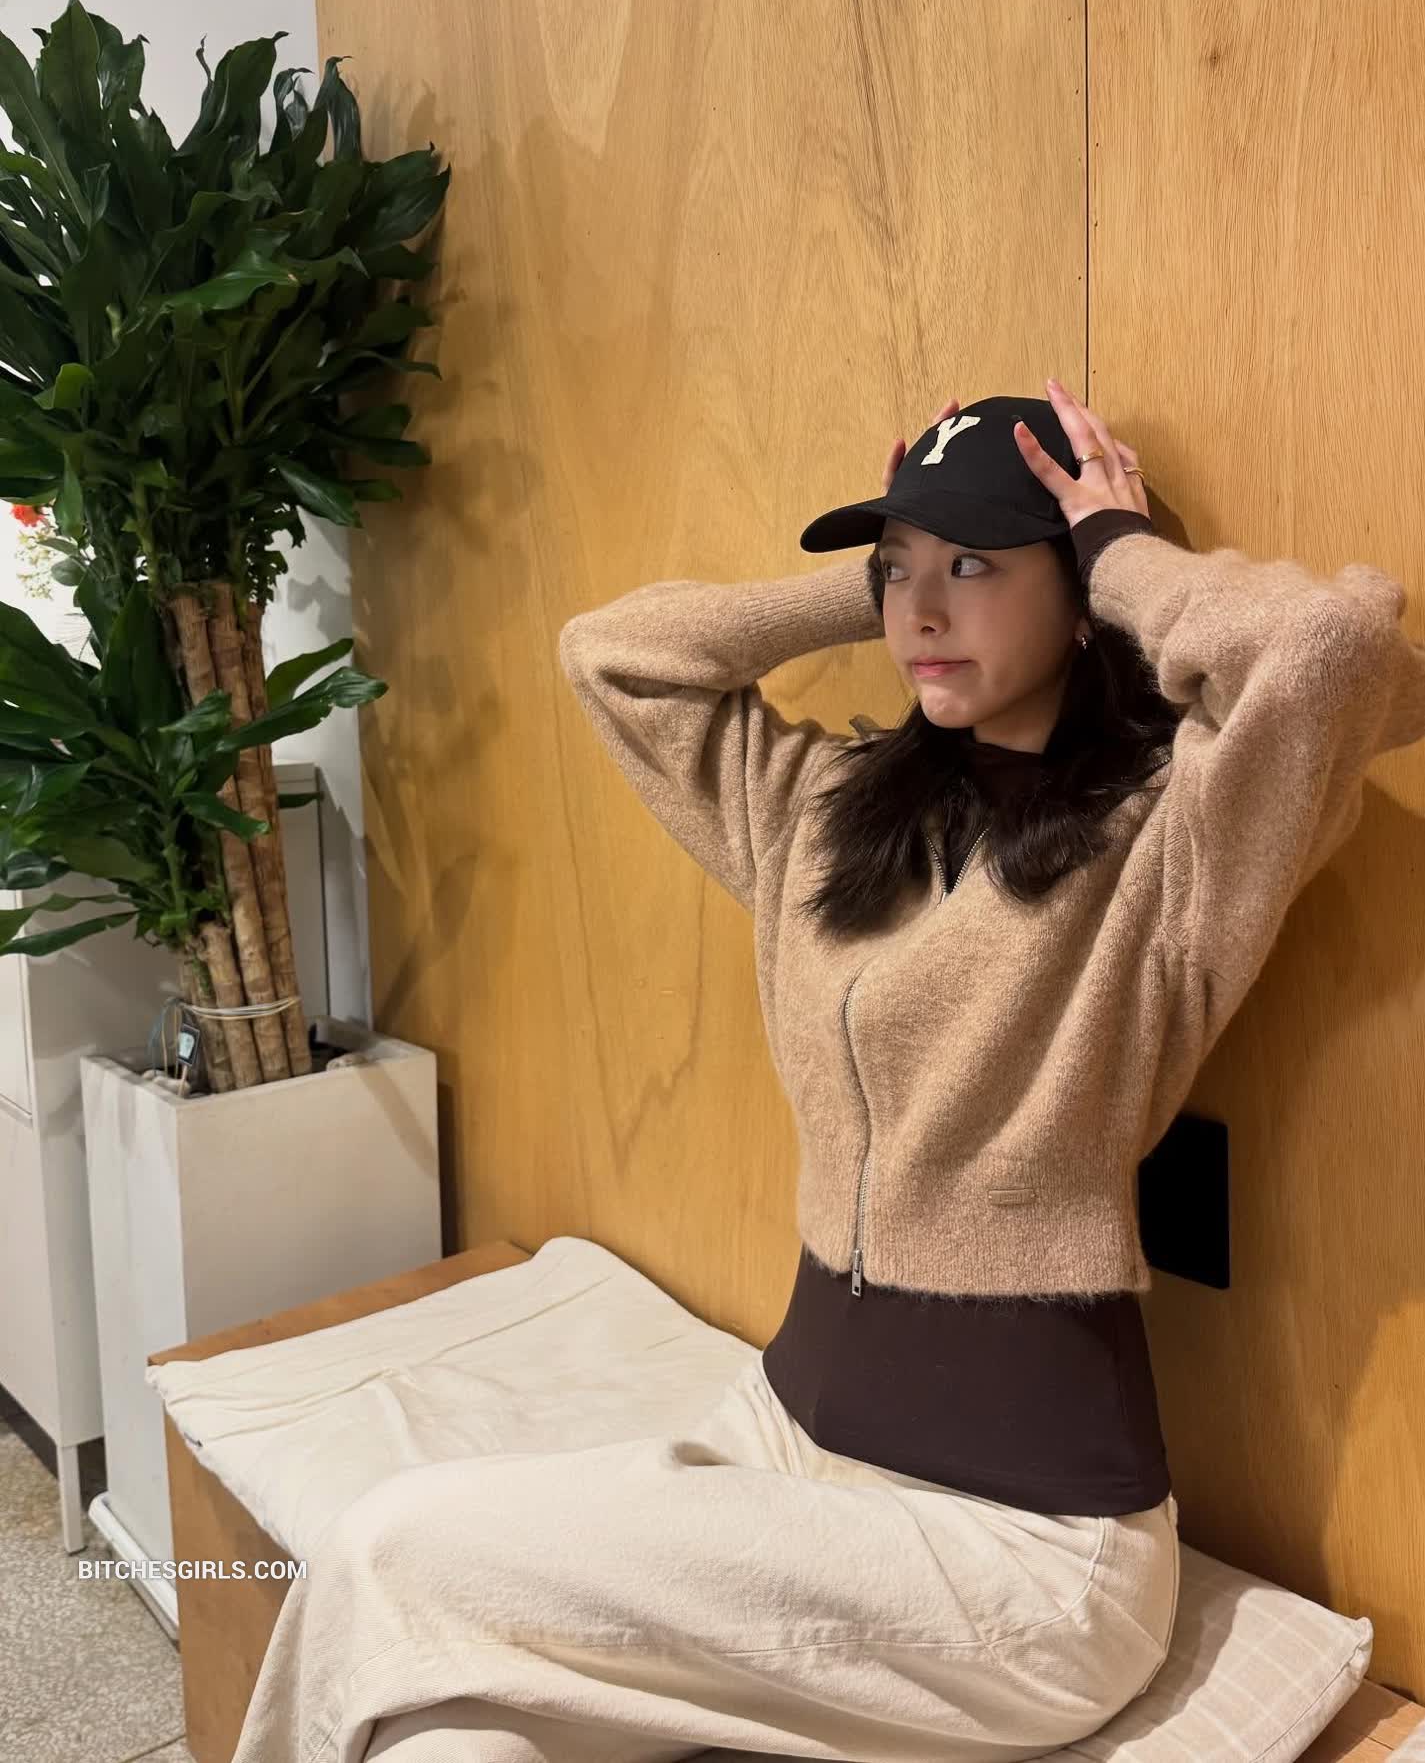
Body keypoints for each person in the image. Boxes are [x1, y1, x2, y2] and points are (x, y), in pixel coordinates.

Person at [231, 380, 1425, 1763]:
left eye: (974, 565)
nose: (922, 609)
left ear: (1074, 597)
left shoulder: (1166, 845)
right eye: (899, 568)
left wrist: (1120, 556)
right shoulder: (823, 815)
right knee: (447, 1739)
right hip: (783, 1448)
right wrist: (875, 585)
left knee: (390, 1540)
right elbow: (612, 655)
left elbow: (1336, 653)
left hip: (1019, 1561)